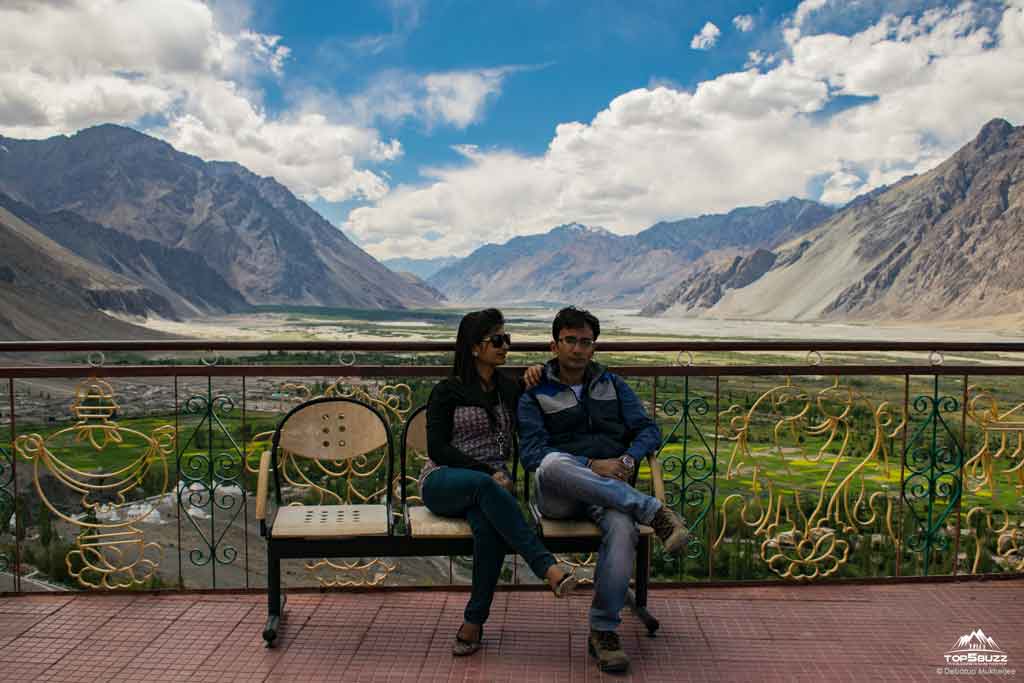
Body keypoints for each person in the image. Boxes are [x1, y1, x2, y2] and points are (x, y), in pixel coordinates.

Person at [518, 305, 690, 673]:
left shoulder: (612, 385)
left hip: (609, 490)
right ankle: (653, 511)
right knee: (552, 463)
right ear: (554, 345)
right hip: (560, 495)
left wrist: (627, 461)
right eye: (570, 341)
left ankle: (603, 631)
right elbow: (532, 454)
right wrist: (590, 465)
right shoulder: (535, 391)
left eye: (586, 342)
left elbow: (648, 430)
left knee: (623, 529)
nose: (578, 349)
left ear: (594, 347)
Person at [422, 308, 577, 657]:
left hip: (492, 489)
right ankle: (546, 567)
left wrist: (538, 370)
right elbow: (437, 448)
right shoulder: (448, 390)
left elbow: (547, 382)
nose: (505, 345)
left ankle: (473, 624)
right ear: (475, 348)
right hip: (444, 480)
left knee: (488, 531)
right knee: (485, 486)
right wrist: (486, 472)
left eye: (507, 339)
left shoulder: (509, 388)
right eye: (497, 339)